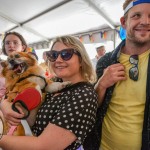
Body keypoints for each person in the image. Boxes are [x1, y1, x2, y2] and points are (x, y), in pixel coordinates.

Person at [0, 35, 98, 150]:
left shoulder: (84, 95)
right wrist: (5, 106)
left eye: (66, 54)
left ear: (81, 59)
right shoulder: (55, 83)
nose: (58, 60)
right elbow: (12, 93)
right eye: (53, 55)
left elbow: (44, 146)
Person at [83, 0, 150, 150]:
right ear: (124, 22)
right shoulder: (106, 61)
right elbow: (91, 108)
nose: (145, 21)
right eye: (136, 15)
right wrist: (101, 84)